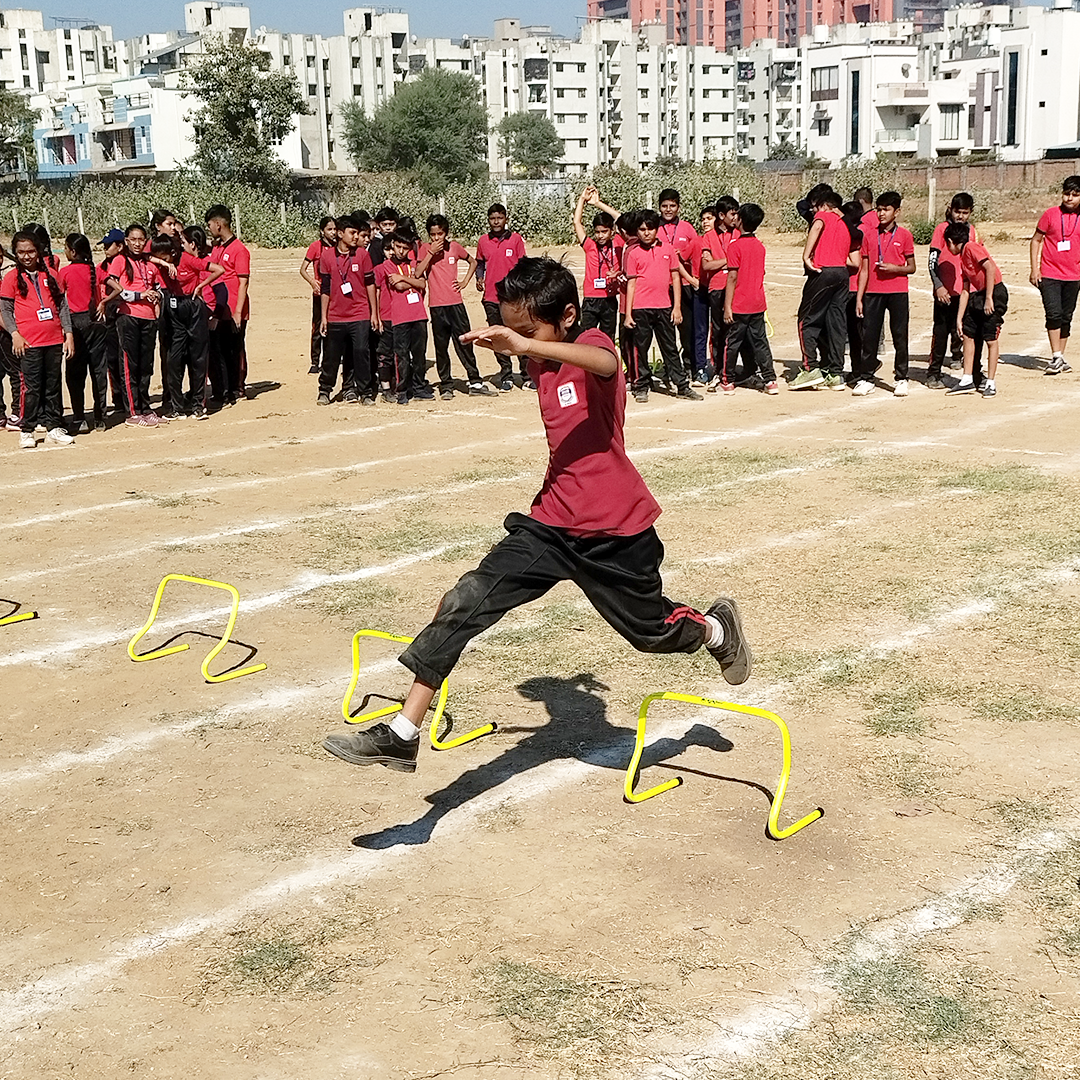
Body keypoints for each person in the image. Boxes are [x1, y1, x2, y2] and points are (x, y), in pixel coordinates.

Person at [320, 257, 752, 774]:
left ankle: (715, 629)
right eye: (511, 328)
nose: (516, 340)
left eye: (525, 330)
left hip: (616, 529)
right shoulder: (540, 359)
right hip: (550, 524)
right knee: (465, 597)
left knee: (651, 632)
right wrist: (523, 343)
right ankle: (403, 732)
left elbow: (607, 365)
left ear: (566, 316)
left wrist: (527, 345)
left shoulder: (591, 344)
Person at [0, 230, 75, 448]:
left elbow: (62, 306)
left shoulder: (51, 274)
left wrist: (68, 334)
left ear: (38, 251)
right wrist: (14, 333)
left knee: (53, 384)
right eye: (21, 252)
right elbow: (5, 308)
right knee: (30, 387)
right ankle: (27, 428)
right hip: (28, 341)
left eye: (31, 251)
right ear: (15, 253)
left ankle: (53, 427)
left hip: (53, 339)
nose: (26, 256)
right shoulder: (11, 277)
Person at [624, 209, 701, 404]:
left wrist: (676, 307)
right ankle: (641, 385)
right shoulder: (633, 254)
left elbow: (675, 277)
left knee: (670, 348)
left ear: (656, 229)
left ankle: (681, 385)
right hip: (641, 309)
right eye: (642, 229)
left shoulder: (667, 250)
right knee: (641, 348)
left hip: (664, 307)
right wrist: (628, 314)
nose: (646, 233)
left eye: (650, 228)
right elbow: (631, 284)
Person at [417, 214, 496, 399]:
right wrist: (430, 254)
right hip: (437, 305)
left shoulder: (454, 247)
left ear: (446, 233)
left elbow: (473, 261)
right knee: (441, 347)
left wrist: (465, 281)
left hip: (456, 304)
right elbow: (418, 272)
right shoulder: (425, 249)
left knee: (464, 343)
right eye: (433, 234)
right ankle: (446, 385)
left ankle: (475, 381)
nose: (437, 238)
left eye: (440, 234)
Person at [792, 189, 858, 391]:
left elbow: (817, 226)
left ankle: (810, 367)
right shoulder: (846, 224)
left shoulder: (823, 216)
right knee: (836, 322)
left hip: (823, 272)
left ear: (824, 205)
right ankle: (836, 373)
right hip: (841, 274)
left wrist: (806, 255)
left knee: (806, 320)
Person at [101, 223, 166, 426]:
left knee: (146, 365)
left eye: (141, 240)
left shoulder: (150, 263)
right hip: (128, 316)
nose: (138, 243)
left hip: (148, 318)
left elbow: (158, 286)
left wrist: (157, 296)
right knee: (130, 363)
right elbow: (115, 288)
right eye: (134, 240)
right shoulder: (120, 261)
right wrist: (139, 295)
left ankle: (146, 407)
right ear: (126, 242)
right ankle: (132, 410)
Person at [157, 228, 224, 420]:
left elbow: (219, 270)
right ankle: (177, 407)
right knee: (174, 359)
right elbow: (146, 257)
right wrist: (162, 262)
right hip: (174, 308)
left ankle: (197, 405)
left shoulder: (187, 260)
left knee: (198, 357)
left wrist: (201, 286)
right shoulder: (163, 263)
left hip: (193, 307)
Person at [854, 191, 915, 397]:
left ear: (896, 212)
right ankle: (866, 377)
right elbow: (864, 268)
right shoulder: (868, 235)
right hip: (873, 292)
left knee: (900, 335)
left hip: (897, 291)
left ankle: (901, 377)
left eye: (886, 210)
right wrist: (859, 297)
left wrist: (895, 269)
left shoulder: (905, 235)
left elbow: (912, 267)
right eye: (879, 209)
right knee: (869, 336)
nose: (881, 214)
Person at [317, 216, 378, 406]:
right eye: (352, 233)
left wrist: (373, 313)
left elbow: (370, 284)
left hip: (359, 314)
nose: (356, 237)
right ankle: (325, 390)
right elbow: (325, 289)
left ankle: (365, 392)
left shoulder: (362, 255)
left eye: (357, 233)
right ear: (340, 233)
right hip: (335, 316)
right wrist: (324, 317)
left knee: (361, 352)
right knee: (331, 356)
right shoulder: (326, 256)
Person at [722, 203, 778, 396]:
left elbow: (732, 277)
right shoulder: (759, 246)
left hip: (740, 303)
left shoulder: (735, 246)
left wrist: (727, 306)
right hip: (757, 302)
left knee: (732, 342)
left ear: (741, 220)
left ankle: (728, 379)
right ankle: (770, 379)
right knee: (760, 341)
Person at [945, 224, 1008, 398]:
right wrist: (959, 318)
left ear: (951, 242)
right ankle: (967, 379)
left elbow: (990, 268)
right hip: (980, 294)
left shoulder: (971, 247)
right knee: (968, 332)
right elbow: (965, 290)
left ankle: (991, 382)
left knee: (990, 337)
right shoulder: (963, 257)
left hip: (994, 291)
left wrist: (989, 298)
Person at [927, 192, 981, 388]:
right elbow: (932, 261)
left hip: (966, 292)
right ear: (950, 210)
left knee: (967, 332)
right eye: (957, 211)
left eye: (965, 212)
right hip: (945, 292)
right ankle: (934, 372)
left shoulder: (972, 232)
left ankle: (971, 368)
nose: (960, 216)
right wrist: (939, 286)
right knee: (940, 333)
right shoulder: (941, 230)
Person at [58, 233, 108, 433]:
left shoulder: (65, 272)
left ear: (72, 251)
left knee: (75, 374)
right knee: (98, 371)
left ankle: (79, 417)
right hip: (95, 322)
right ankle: (100, 417)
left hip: (76, 323)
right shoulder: (94, 270)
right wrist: (103, 302)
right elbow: (118, 287)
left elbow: (59, 300)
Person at [1030, 175, 1080, 375]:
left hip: (1074, 275)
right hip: (1049, 273)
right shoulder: (1050, 215)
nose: (1069, 198)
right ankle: (1056, 356)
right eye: (1067, 194)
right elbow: (1035, 241)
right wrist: (1035, 268)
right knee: (1054, 314)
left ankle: (1061, 356)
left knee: (1066, 316)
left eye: (1075, 195)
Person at [476, 203, 528, 391]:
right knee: (498, 336)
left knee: (519, 334)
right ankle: (506, 374)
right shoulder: (483, 241)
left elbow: (523, 265)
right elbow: (480, 263)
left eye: (499, 218)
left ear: (506, 219)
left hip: (513, 298)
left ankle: (527, 374)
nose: (496, 221)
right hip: (491, 297)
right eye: (492, 218)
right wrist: (479, 277)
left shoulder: (515, 240)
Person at [204, 204, 251, 406]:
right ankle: (224, 389)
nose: (209, 229)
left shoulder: (239, 250)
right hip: (219, 309)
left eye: (210, 225)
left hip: (234, 309)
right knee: (220, 350)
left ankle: (238, 388)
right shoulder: (217, 248)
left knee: (235, 350)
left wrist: (238, 311)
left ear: (218, 224)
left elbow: (243, 282)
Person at [385, 230, 433, 404]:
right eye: (398, 247)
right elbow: (398, 286)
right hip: (400, 317)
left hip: (418, 314)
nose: (401, 251)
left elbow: (422, 283)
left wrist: (404, 278)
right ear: (392, 246)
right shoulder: (388, 265)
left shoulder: (414, 264)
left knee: (419, 354)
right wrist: (409, 280)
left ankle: (419, 387)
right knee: (402, 355)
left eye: (405, 248)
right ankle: (402, 389)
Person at [658, 188, 700, 375]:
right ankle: (671, 368)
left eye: (672, 206)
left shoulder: (687, 228)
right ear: (659, 207)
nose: (668, 209)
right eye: (664, 206)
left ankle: (690, 365)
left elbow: (698, 251)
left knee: (687, 329)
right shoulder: (653, 228)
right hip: (660, 287)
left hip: (683, 287)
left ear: (679, 208)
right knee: (666, 332)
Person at [573, 185, 622, 341]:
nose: (600, 236)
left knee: (608, 339)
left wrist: (598, 203)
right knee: (586, 339)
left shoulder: (619, 243)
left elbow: (622, 220)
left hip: (609, 298)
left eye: (604, 231)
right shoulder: (590, 246)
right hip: (591, 299)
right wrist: (582, 199)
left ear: (612, 231)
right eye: (597, 232)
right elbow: (577, 223)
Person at [301, 216, 337, 374]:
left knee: (333, 326)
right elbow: (302, 269)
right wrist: (312, 282)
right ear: (322, 231)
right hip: (320, 293)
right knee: (317, 326)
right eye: (329, 229)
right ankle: (315, 361)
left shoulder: (339, 247)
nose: (333, 232)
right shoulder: (315, 247)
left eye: (335, 229)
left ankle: (331, 358)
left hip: (335, 293)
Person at [97, 227, 126, 415]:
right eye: (105, 245)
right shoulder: (101, 268)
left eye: (109, 245)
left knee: (126, 357)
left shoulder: (127, 264)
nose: (105, 249)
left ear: (120, 246)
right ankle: (118, 398)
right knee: (112, 358)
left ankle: (129, 396)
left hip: (124, 313)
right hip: (108, 314)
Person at [688, 203, 716, 384]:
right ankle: (700, 368)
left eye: (709, 218)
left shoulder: (724, 239)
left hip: (719, 289)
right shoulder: (696, 241)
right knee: (700, 331)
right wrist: (692, 280)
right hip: (701, 289)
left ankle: (720, 367)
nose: (705, 222)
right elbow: (677, 259)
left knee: (720, 330)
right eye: (703, 219)